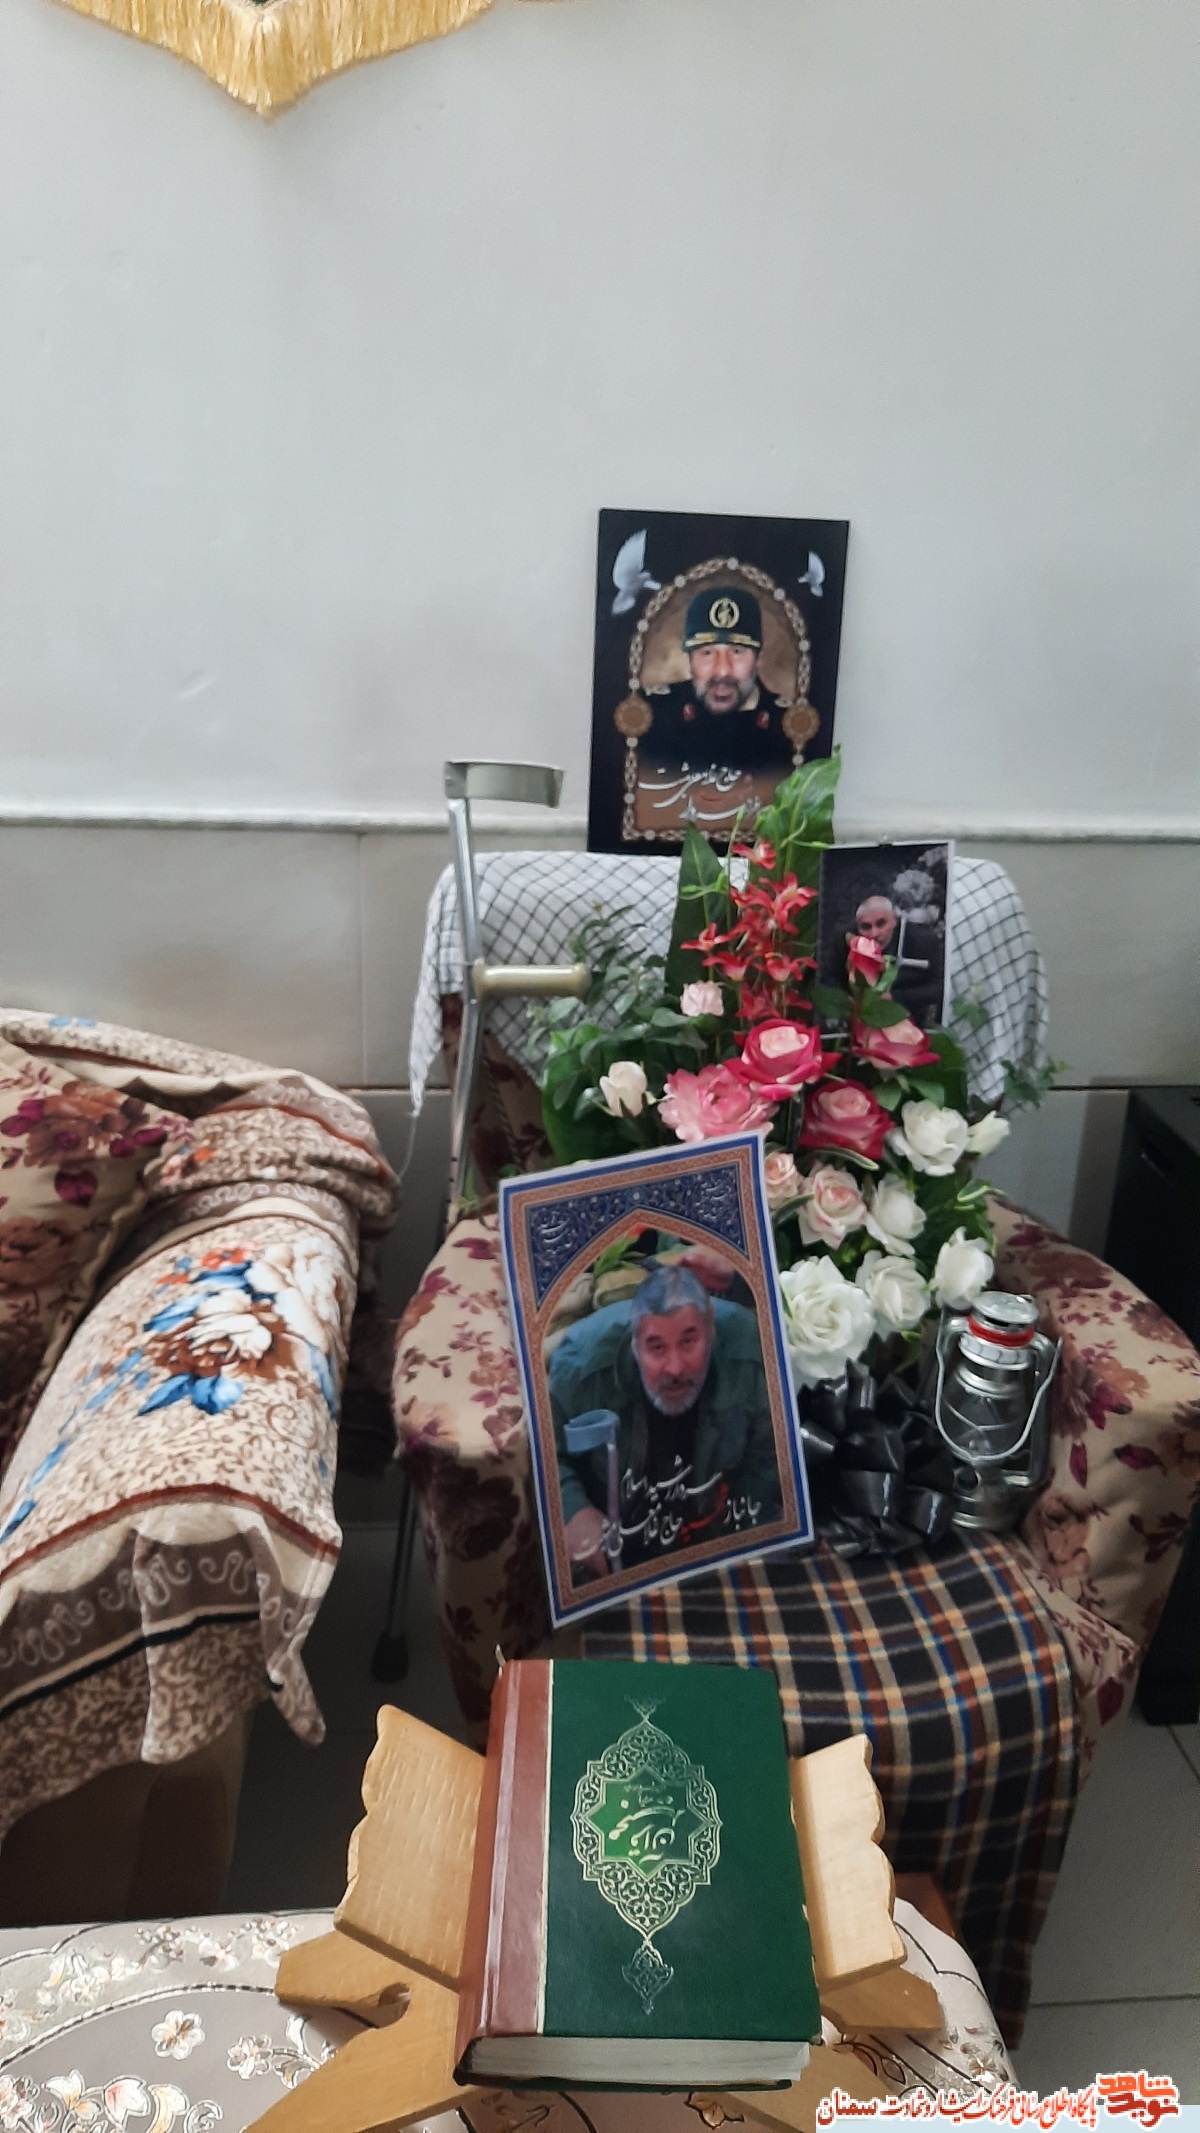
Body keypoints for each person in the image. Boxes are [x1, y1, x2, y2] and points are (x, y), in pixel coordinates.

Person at [548, 1262, 782, 1582]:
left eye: (688, 1342)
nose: (674, 1368)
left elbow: (766, 1453)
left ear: (710, 1328)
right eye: (657, 1347)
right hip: (617, 1542)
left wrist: (747, 1537)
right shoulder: (581, 1366)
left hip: (712, 1528)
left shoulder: (752, 1347)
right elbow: (547, 1453)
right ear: (634, 1342)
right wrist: (573, 1510)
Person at [639, 586, 796, 807]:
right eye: (707, 653)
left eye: (737, 652)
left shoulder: (790, 729)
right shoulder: (653, 717)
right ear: (690, 660)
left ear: (758, 659)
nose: (722, 670)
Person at [853, 893, 944, 1027]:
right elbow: (831, 978)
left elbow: (939, 987)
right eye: (866, 927)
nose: (874, 934)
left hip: (911, 1019)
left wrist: (895, 997)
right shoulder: (847, 940)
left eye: (881, 924)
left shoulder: (924, 941)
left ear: (894, 920)